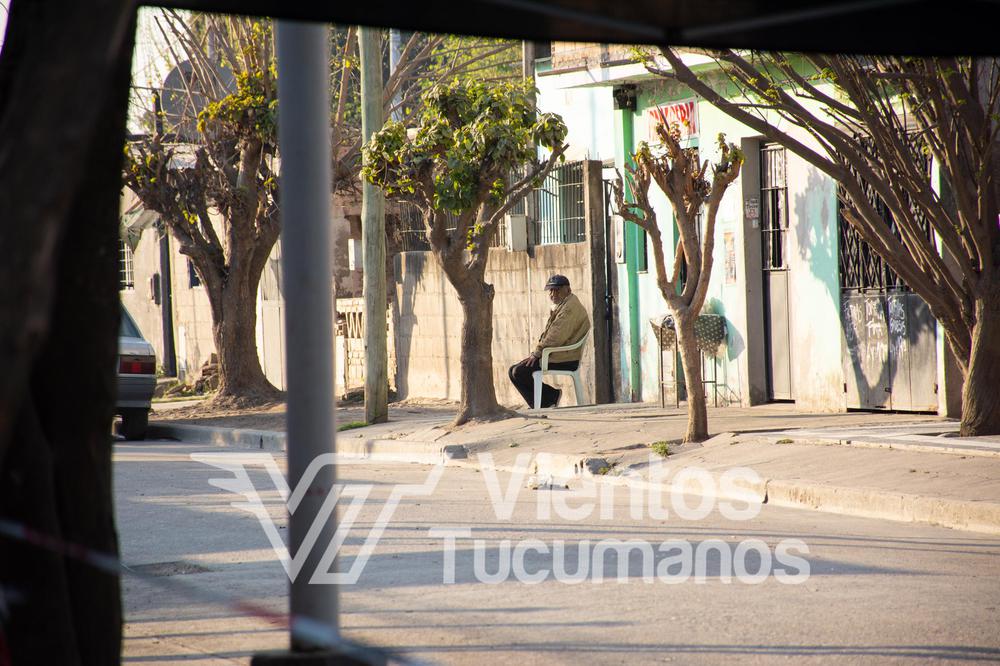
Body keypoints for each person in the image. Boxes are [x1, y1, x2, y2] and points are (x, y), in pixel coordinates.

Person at [508, 274, 591, 408]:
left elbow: (555, 336)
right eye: (551, 291)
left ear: (568, 290)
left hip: (565, 358)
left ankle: (546, 400)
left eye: (557, 290)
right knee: (513, 371)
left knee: (519, 372)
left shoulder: (569, 308)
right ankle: (548, 398)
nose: (553, 294)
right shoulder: (565, 305)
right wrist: (536, 352)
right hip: (557, 355)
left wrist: (537, 353)